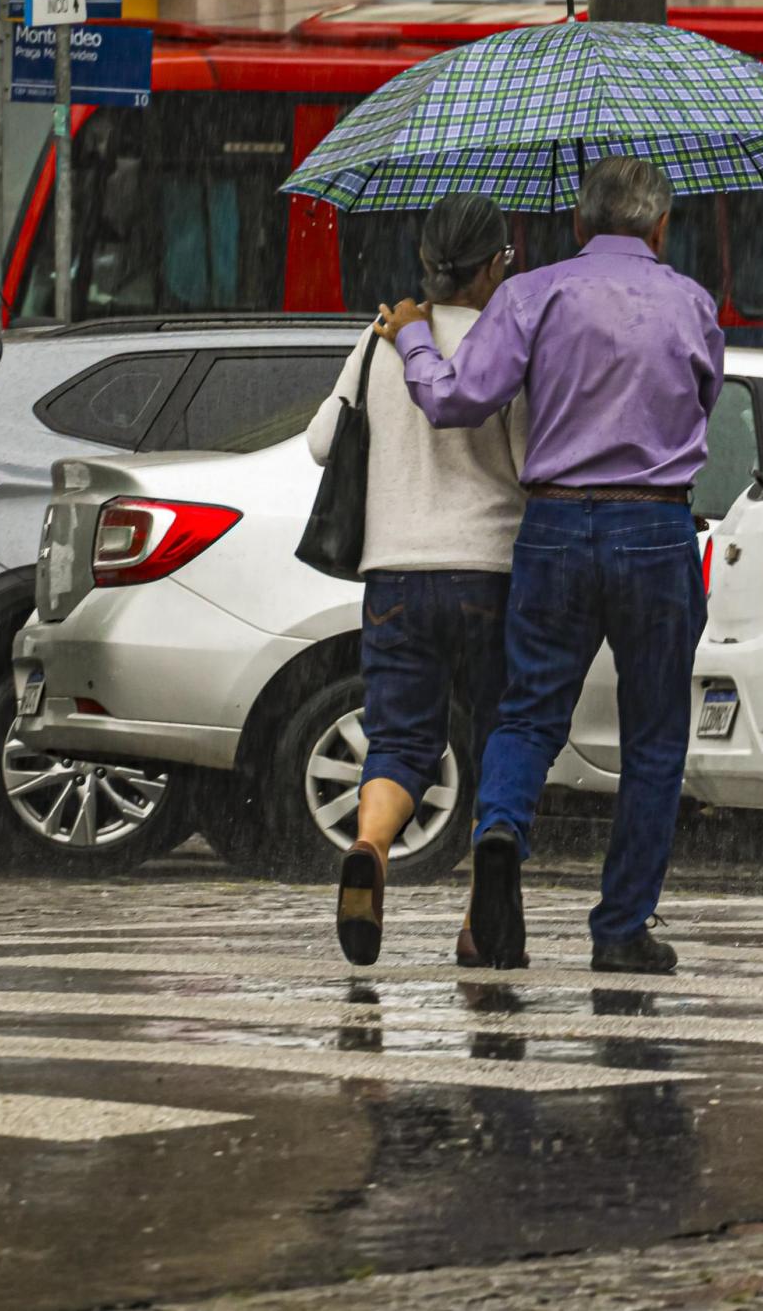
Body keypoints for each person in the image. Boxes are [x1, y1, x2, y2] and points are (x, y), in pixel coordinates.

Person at [377, 156, 723, 976]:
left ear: (576, 224)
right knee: (652, 741)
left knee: (528, 716)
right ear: (661, 227)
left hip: (556, 525)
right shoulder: (694, 301)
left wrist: (414, 337)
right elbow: (703, 399)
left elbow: (457, 399)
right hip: (655, 528)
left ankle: (500, 825)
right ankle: (621, 928)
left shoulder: (532, 293)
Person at [308, 193, 525, 968]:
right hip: (490, 573)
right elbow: (533, 462)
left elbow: (321, 441)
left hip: (394, 572)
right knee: (503, 730)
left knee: (402, 739)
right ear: (495, 263)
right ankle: (481, 915)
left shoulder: (381, 339)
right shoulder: (509, 342)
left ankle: (370, 846)